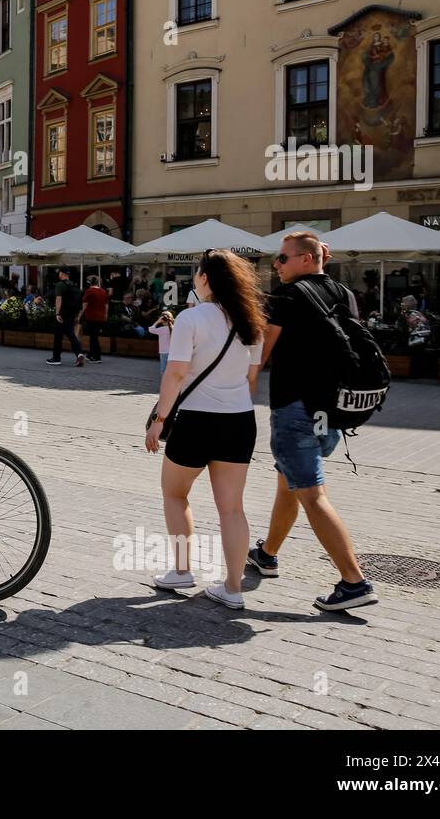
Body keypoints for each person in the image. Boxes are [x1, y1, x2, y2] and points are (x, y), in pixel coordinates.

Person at [251, 231, 377, 612]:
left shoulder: (288, 298)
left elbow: (260, 354)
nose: (276, 264)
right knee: (288, 483)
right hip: (332, 413)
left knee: (312, 494)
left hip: (296, 410)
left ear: (306, 259)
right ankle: (268, 553)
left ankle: (354, 582)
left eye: (282, 258)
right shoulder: (344, 293)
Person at [146, 250, 264, 609]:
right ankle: (232, 587)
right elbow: (251, 378)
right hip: (240, 420)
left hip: (197, 420)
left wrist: (160, 420)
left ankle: (182, 569)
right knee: (232, 508)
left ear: (204, 279)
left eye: (197, 273)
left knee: (174, 494)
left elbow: (176, 373)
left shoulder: (191, 318)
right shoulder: (252, 320)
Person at [46, 267, 86, 367]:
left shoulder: (60, 285)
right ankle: (79, 353)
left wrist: (57, 313)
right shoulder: (73, 285)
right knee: (71, 335)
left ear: (62, 274)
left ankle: (56, 358)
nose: (58, 274)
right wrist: (77, 315)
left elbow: (58, 299)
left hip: (62, 314)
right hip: (72, 314)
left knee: (58, 336)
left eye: (59, 272)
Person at [79, 275, 109, 364]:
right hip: (101, 317)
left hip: (91, 317)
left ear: (89, 283)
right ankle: (91, 354)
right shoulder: (103, 292)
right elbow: (106, 305)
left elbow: (84, 305)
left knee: (93, 337)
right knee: (94, 336)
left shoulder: (89, 291)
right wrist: (105, 315)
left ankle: (96, 357)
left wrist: (79, 315)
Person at [149, 309, 175, 376]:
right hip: (173, 352)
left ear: (162, 320)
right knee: (171, 369)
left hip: (163, 352)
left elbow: (151, 329)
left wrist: (157, 321)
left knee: (163, 370)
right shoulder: (174, 328)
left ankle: (164, 383)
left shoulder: (161, 329)